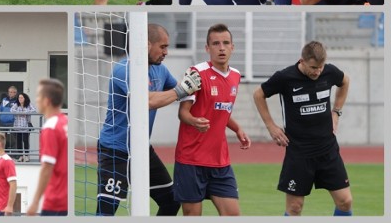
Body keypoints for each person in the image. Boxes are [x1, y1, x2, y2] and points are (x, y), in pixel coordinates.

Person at [95, 23, 201, 216]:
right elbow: (147, 101)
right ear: (146, 44)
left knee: (171, 201)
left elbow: (184, 93)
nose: (166, 52)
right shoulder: (124, 70)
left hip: (142, 150)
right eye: (163, 46)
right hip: (115, 151)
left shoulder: (160, 70)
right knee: (106, 213)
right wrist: (182, 90)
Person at [253, 41, 352, 216]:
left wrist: (336, 112)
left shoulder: (329, 72)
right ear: (302, 61)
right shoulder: (284, 77)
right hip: (299, 152)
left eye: (320, 67)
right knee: (295, 207)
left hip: (327, 149)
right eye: (313, 67)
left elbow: (345, 81)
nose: (317, 72)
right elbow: (258, 94)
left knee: (345, 201)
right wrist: (271, 126)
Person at [173, 24, 251, 216]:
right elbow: (183, 113)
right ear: (207, 48)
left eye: (225, 43)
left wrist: (237, 129)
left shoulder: (235, 76)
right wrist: (193, 121)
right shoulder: (195, 73)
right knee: (193, 216)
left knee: (233, 215)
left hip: (219, 161)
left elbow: (221, 109)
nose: (221, 48)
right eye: (216, 44)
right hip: (191, 160)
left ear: (233, 47)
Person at [26, 78, 68, 216]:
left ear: (46, 101)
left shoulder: (50, 127)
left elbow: (47, 167)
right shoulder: (65, 122)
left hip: (55, 201)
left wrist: (35, 202)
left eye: (38, 96)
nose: (36, 100)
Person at [10, 92, 37, 162]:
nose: (20, 99)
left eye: (21, 97)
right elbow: (11, 110)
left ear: (25, 98)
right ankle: (20, 156)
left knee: (25, 141)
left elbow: (34, 110)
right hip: (17, 126)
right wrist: (20, 113)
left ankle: (27, 156)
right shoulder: (16, 105)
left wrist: (26, 112)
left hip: (26, 126)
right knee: (19, 141)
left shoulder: (28, 105)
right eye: (19, 97)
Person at [0, 86, 19, 156]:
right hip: (3, 122)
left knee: (12, 139)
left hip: (12, 122)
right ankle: (2, 154)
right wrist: (1, 117)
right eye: (10, 92)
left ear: (15, 93)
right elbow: (0, 109)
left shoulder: (17, 101)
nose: (11, 93)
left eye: (12, 92)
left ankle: (14, 155)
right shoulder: (4, 99)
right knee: (2, 139)